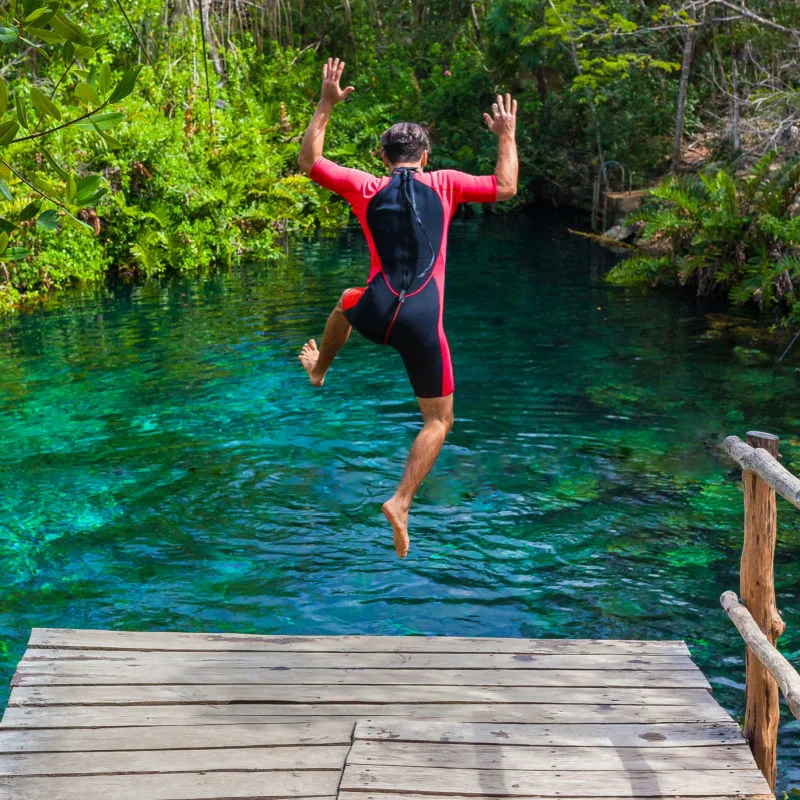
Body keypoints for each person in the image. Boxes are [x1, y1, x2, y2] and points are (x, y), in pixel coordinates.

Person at [297, 57, 518, 559]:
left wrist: (326, 105)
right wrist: (505, 134)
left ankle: (320, 371)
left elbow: (309, 162)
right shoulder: (445, 184)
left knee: (345, 302)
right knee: (439, 421)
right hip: (421, 323)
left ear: (382, 155)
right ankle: (400, 501)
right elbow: (505, 187)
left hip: (374, 313)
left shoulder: (366, 186)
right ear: (426, 156)